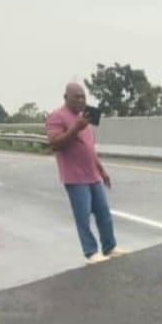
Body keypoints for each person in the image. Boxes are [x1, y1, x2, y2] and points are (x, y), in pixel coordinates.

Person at [46, 83, 123, 263]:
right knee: (83, 216)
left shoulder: (84, 118)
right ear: (66, 97)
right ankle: (91, 252)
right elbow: (55, 144)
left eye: (83, 96)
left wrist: (102, 171)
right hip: (75, 178)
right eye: (76, 96)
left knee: (104, 213)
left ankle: (109, 246)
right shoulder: (56, 117)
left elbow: (89, 149)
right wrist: (75, 128)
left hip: (93, 175)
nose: (81, 100)